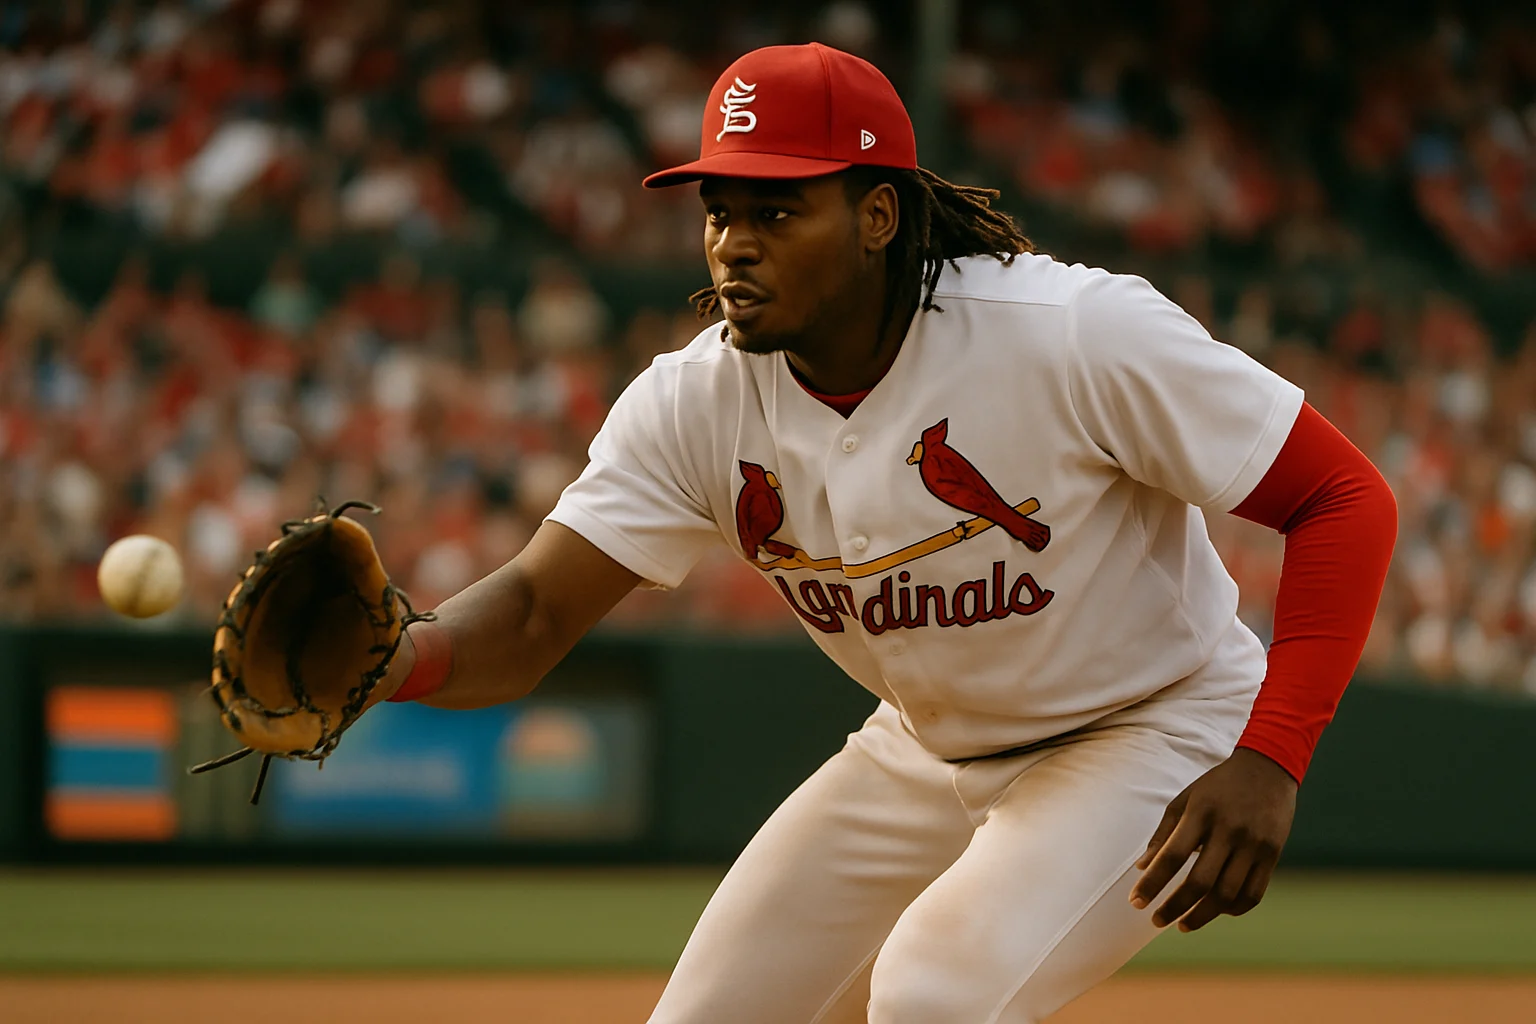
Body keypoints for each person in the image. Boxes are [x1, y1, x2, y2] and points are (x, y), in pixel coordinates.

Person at [376, 43, 1397, 1023]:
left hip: (1148, 723)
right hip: (926, 745)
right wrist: (398, 659)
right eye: (721, 210)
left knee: (933, 994)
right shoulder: (695, 400)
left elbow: (1346, 498)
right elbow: (535, 607)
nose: (736, 239)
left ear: (876, 215)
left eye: (777, 208)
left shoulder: (1069, 334)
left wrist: (1270, 757)